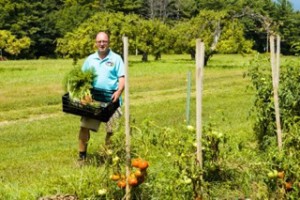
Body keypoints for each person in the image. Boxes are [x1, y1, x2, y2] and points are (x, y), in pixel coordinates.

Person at [78, 32, 125, 162]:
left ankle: (108, 158)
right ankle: (82, 157)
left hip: (112, 99)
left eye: (104, 41)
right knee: (84, 127)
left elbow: (122, 78)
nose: (102, 44)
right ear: (96, 42)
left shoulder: (116, 58)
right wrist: (83, 94)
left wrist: (119, 91)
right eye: (99, 41)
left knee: (111, 131)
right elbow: (82, 78)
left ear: (108, 42)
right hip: (93, 100)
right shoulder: (90, 59)